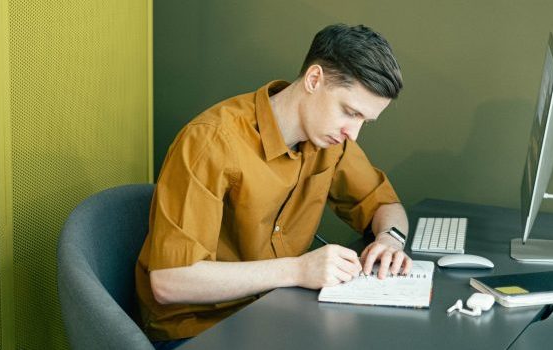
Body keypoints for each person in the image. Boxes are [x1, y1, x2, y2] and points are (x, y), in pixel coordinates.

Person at [136, 23, 411, 349]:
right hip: (197, 330)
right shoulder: (211, 141)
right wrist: (297, 270)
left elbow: (384, 205)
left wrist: (389, 240)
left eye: (364, 120)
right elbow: (170, 282)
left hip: (276, 313)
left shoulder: (332, 142)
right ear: (314, 80)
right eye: (350, 112)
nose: (354, 133)